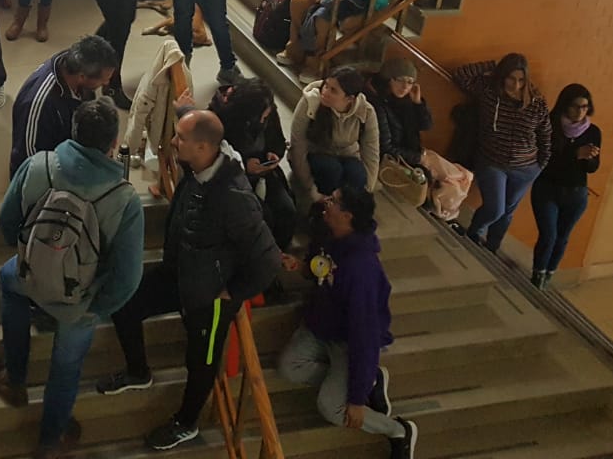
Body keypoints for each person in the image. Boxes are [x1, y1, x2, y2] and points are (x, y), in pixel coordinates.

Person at [96, 107, 279, 450]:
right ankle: (138, 372)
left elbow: (268, 258)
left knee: (201, 361)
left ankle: (186, 422)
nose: (173, 141)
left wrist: (232, 292)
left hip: (209, 298)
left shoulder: (234, 197)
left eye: (180, 137)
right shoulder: (195, 167)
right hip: (179, 274)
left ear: (203, 148)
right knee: (125, 303)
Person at [0, 99, 144, 459]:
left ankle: (14, 377)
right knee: (66, 364)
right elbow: (128, 278)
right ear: (112, 142)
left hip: (28, 277)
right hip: (80, 300)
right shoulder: (124, 200)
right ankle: (50, 440)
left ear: (73, 132)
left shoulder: (38, 164)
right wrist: (95, 308)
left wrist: (32, 260)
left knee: (7, 281)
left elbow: (6, 222)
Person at [278, 186, 419, 458]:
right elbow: (319, 266)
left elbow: (364, 337)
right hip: (319, 327)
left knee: (332, 408)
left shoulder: (361, 269)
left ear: (348, 216)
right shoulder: (327, 232)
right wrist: (301, 266)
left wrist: (355, 399)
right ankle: (369, 381)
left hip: (347, 340)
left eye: (333, 202)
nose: (325, 203)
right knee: (289, 368)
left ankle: (398, 431)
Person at [452, 54, 551, 253]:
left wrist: (541, 165)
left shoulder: (536, 102)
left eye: (521, 80)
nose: (516, 85)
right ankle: (473, 234)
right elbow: (461, 75)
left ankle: (492, 248)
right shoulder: (489, 91)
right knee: (495, 208)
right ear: (502, 76)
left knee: (507, 212)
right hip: (492, 161)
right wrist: (493, 64)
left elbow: (545, 134)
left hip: (526, 167)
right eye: (511, 78)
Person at [10, 34, 119, 177]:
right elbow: (29, 162)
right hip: (43, 176)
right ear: (82, 76)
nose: (106, 84)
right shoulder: (40, 104)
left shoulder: (72, 63)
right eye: (104, 79)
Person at [209, 78, 297, 252]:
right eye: (262, 117)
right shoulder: (219, 117)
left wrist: (273, 154)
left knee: (287, 211)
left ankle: (278, 256)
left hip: (264, 172)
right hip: (234, 178)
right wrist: (244, 165)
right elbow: (214, 156)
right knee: (263, 216)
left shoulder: (267, 110)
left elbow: (277, 141)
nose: (265, 120)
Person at [530, 84, 600, 289]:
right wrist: (575, 154)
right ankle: (537, 275)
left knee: (562, 237)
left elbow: (593, 168)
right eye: (575, 106)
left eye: (585, 107)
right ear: (564, 106)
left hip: (576, 193)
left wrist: (589, 157)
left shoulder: (593, 131)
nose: (580, 112)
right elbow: (545, 159)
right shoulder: (550, 125)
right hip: (547, 189)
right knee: (548, 235)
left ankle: (549, 275)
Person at [290, 67, 379, 203]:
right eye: (326, 86)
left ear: (350, 98)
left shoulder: (366, 112)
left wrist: (367, 192)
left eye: (333, 90)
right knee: (331, 170)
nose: (325, 92)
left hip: (347, 154)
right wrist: (311, 189)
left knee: (358, 175)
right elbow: (298, 144)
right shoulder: (311, 101)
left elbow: (371, 150)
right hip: (315, 152)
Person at [365, 57, 431, 165]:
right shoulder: (377, 103)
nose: (405, 86)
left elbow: (426, 125)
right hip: (392, 159)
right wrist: (419, 159)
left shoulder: (404, 101)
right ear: (387, 79)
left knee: (464, 174)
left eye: (410, 82)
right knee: (453, 177)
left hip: (409, 154)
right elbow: (385, 148)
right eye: (400, 79)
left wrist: (418, 103)